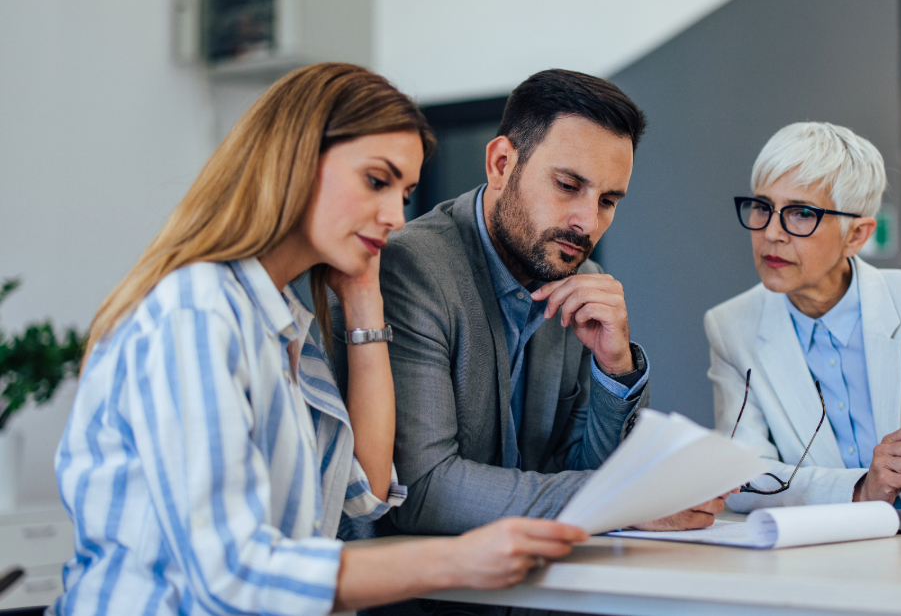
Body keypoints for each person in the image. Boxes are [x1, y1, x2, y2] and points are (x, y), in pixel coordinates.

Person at [51, 63, 587, 616]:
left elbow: (365, 492)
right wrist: (455, 561)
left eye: (403, 195)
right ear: (295, 161)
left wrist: (363, 300)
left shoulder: (286, 327)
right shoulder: (197, 311)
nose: (394, 219)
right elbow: (229, 572)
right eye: (376, 181)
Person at [335, 69, 729, 542]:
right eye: (567, 185)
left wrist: (615, 368)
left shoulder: (586, 286)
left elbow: (587, 468)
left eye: (608, 200)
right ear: (501, 164)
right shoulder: (412, 268)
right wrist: (627, 500)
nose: (587, 221)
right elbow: (425, 491)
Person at [707, 122, 901, 513]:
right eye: (762, 207)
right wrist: (860, 489)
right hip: (811, 558)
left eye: (801, 213)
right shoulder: (730, 327)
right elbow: (742, 479)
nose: (772, 232)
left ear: (856, 235)